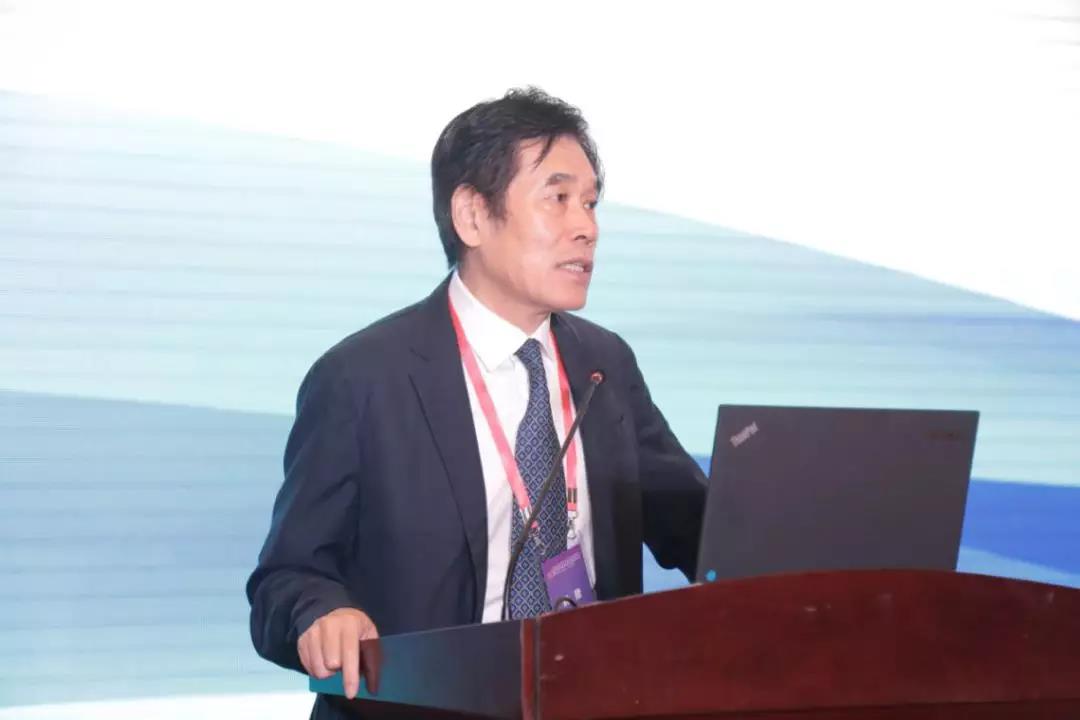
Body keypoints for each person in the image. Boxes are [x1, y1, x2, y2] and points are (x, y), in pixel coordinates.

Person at [246, 87, 706, 717]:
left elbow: (697, 529)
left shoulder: (605, 365)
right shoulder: (362, 378)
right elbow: (286, 577)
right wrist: (323, 612)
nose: (587, 228)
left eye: (591, 203)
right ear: (471, 216)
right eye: (558, 198)